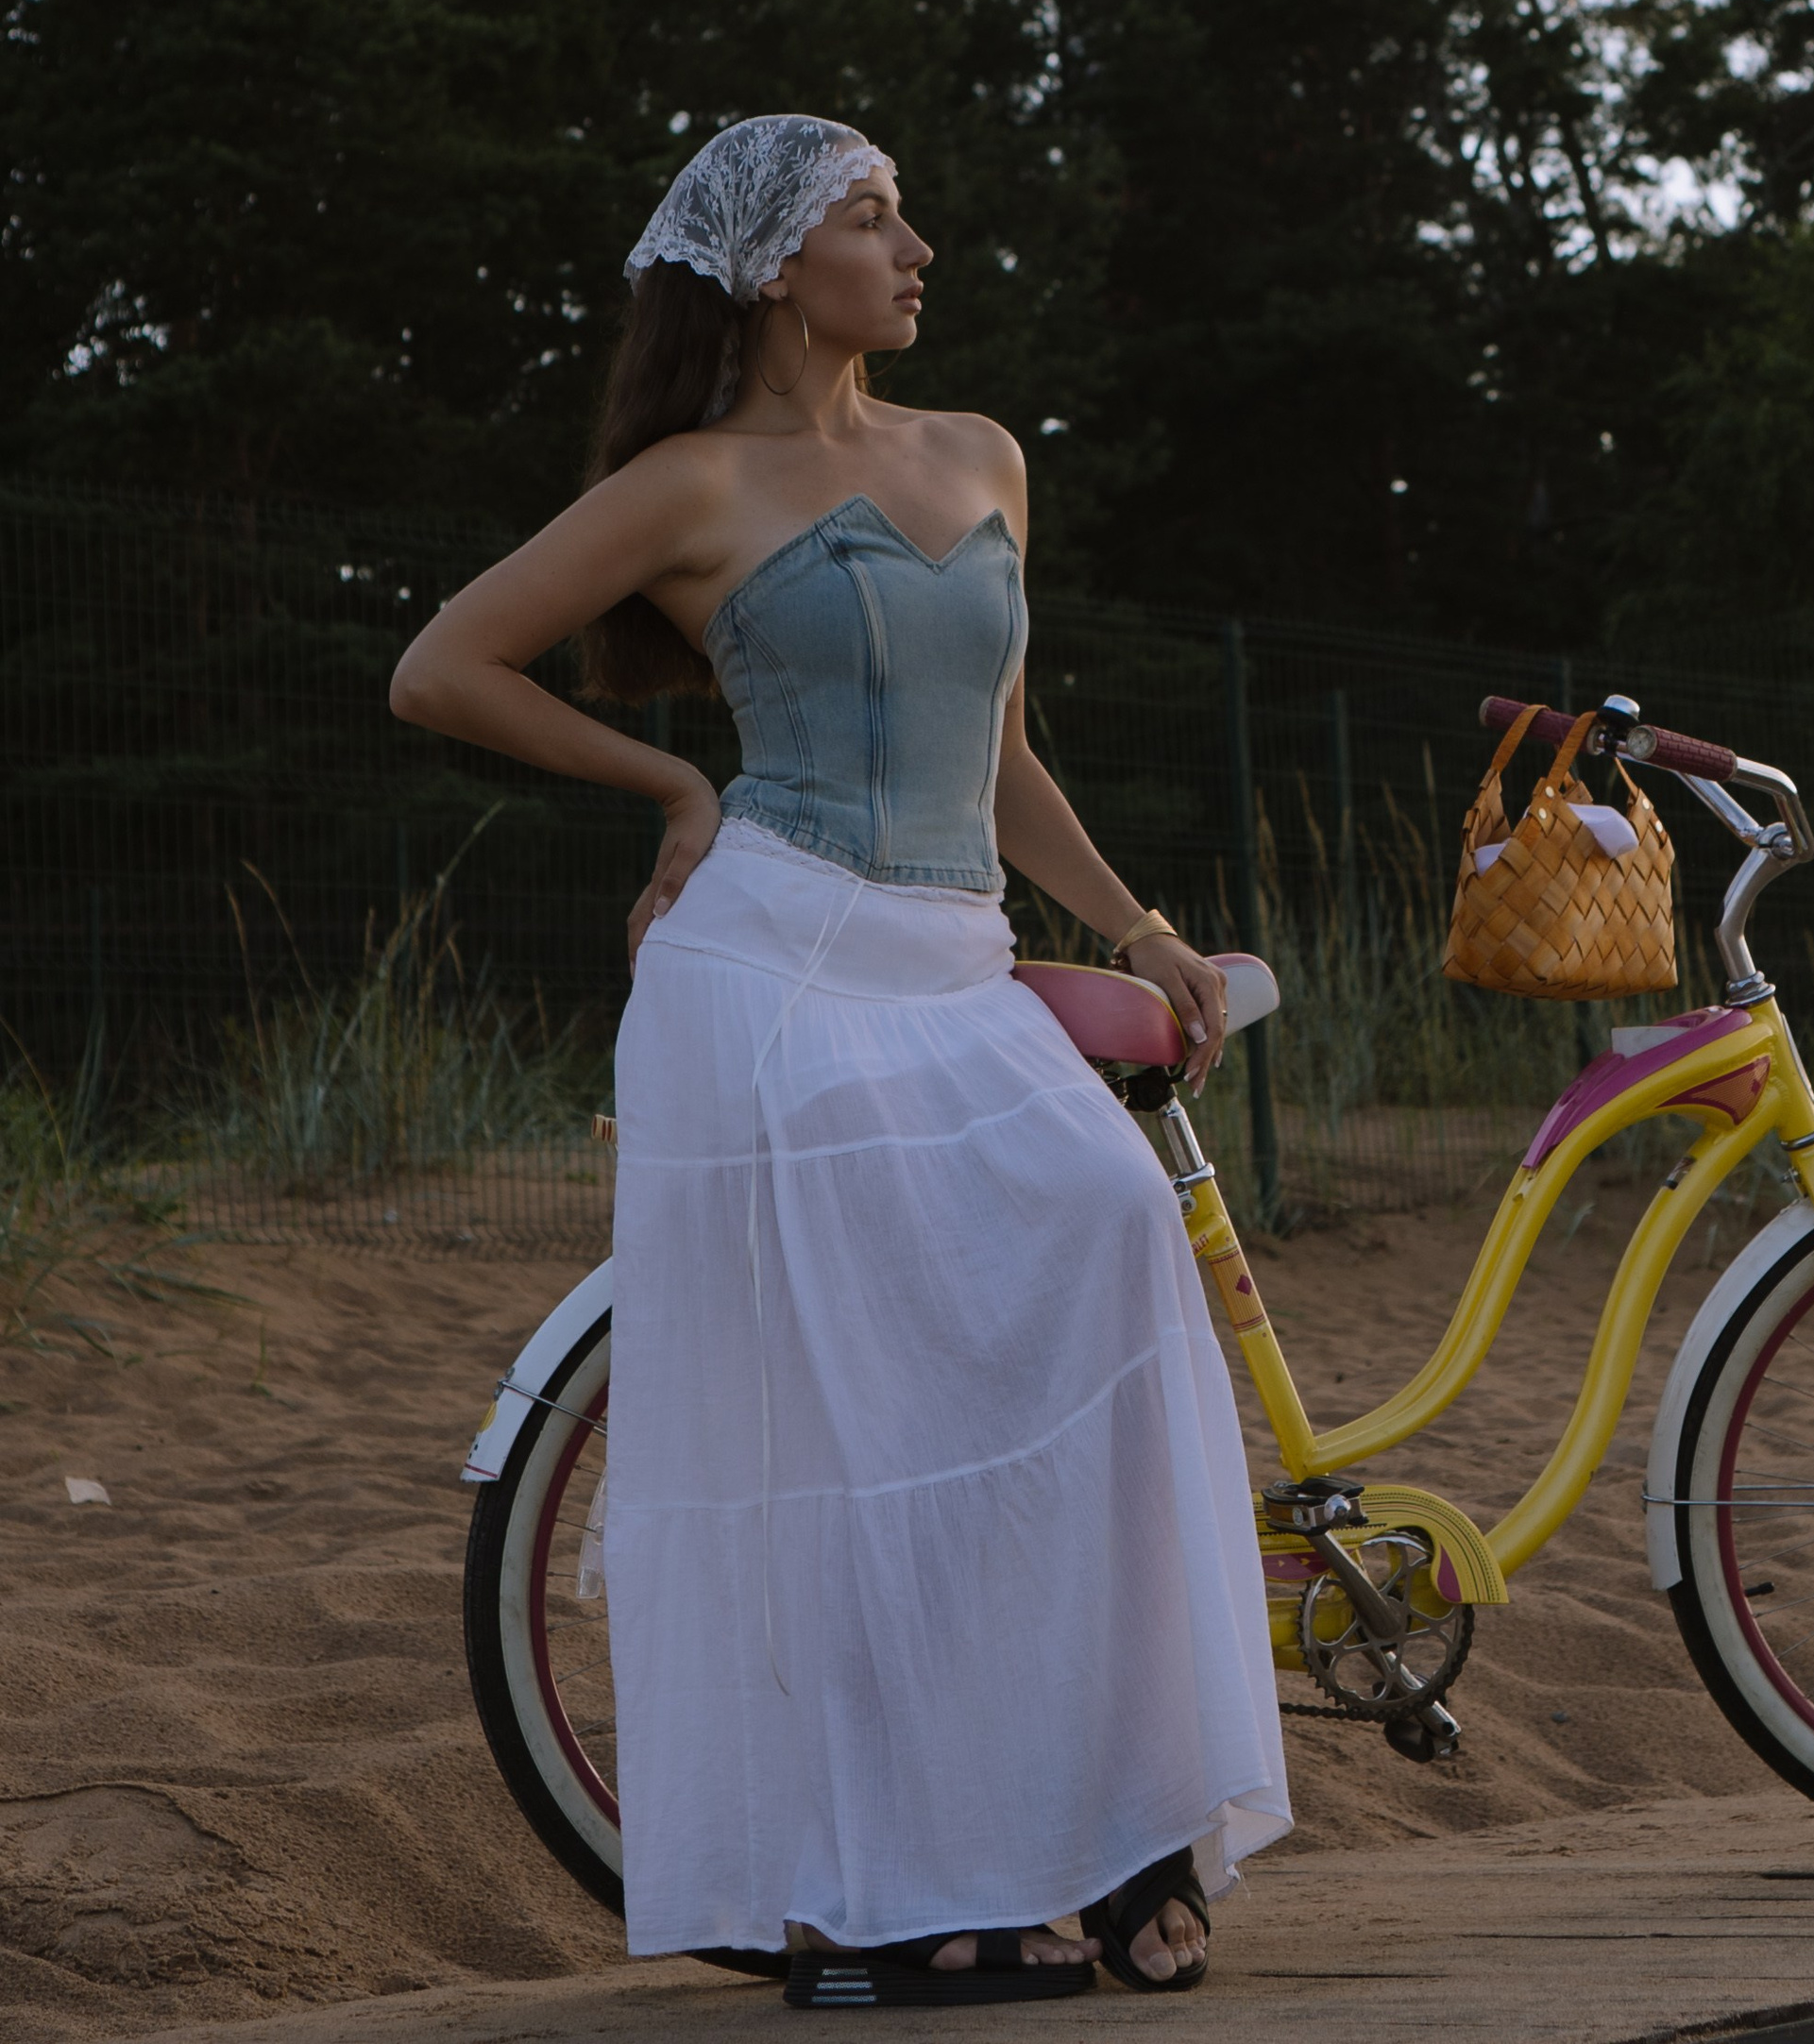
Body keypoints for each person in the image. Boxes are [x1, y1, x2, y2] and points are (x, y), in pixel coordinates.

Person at [391, 114, 1289, 2005]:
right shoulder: (691, 483)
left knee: (1115, 1243)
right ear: (772, 268)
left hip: (954, 963)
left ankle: (1109, 1819)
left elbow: (1004, 762)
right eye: (868, 217)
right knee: (873, 1418)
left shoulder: (980, 457)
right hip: (771, 981)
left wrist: (1134, 931)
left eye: (901, 212)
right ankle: (879, 1896)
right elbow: (444, 664)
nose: (915, 245)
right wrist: (670, 783)